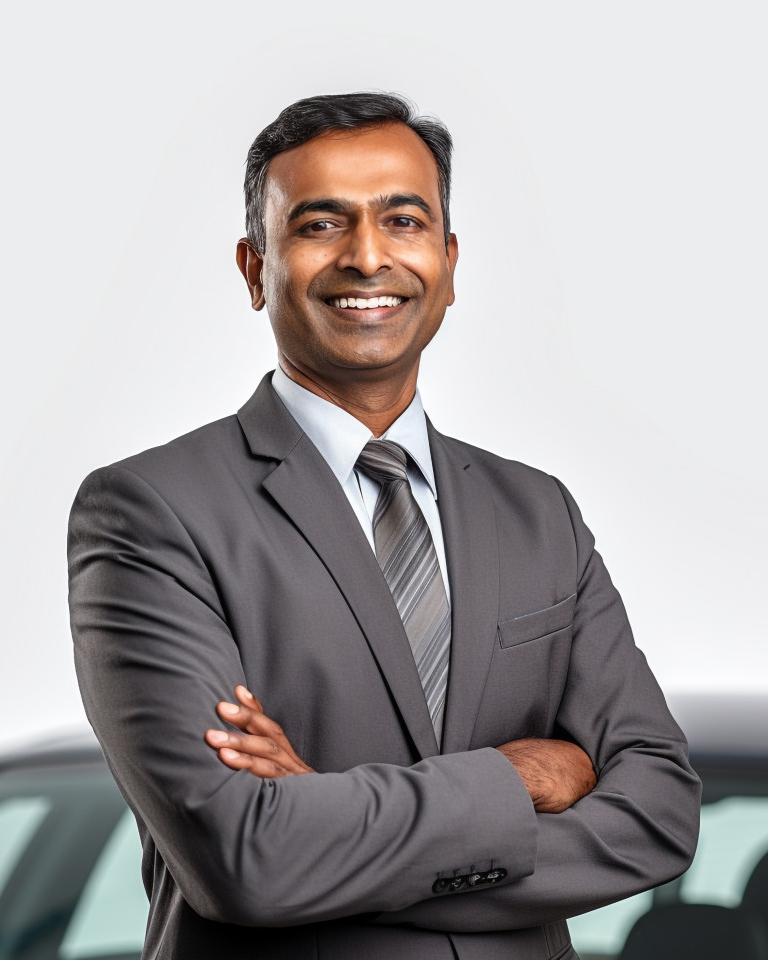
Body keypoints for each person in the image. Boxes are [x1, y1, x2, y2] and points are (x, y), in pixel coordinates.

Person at [68, 92, 701, 960]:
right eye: (321, 225)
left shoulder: (537, 513)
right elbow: (246, 860)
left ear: (446, 262)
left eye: (402, 221)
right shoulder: (152, 513)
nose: (368, 258)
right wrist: (514, 781)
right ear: (256, 271)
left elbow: (659, 814)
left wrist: (325, 816)